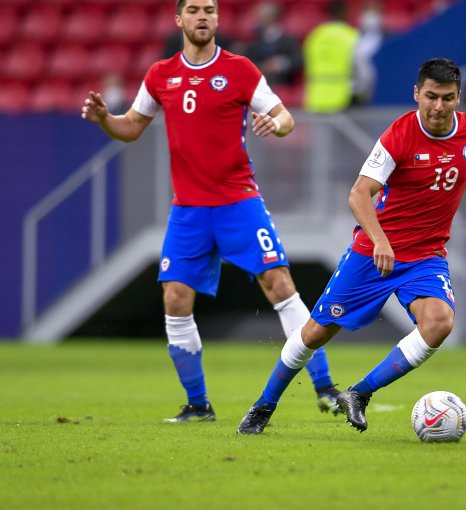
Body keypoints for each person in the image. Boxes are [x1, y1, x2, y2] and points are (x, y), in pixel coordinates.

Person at [237, 57, 466, 435]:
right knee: (314, 334)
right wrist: (379, 240)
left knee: (439, 323)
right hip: (372, 254)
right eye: (431, 97)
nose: (438, 107)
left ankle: (359, 394)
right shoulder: (400, 134)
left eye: (447, 98)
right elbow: (360, 195)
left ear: (459, 98)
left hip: (426, 257)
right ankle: (263, 406)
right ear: (416, 94)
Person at [81, 0, 341, 422]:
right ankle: (198, 405)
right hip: (189, 211)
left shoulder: (239, 69)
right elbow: (130, 126)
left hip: (239, 202)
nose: (203, 17)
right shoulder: (160, 74)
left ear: (217, 19)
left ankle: (325, 385)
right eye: (195, 10)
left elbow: (285, 117)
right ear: (179, 19)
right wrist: (104, 120)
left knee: (278, 283)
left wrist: (274, 124)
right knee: (176, 297)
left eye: (210, 10)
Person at [303, 0, 359, 113]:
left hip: (316, 97)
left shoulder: (315, 36)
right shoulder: (351, 35)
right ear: (344, 13)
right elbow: (359, 67)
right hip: (343, 98)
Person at [245, 2, 302, 86]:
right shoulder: (255, 40)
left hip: (282, 84)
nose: (257, 19)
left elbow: (298, 61)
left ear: (271, 17)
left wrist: (280, 64)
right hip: (260, 84)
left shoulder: (289, 40)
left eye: (260, 16)